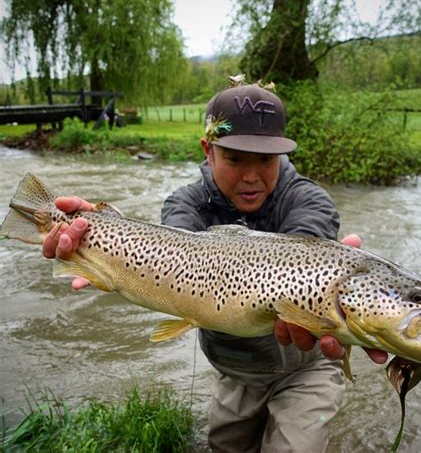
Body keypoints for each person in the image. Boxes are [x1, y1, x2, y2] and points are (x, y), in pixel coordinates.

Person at [42, 83, 387, 452]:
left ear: (282, 155)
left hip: (306, 369)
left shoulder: (310, 200)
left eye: (266, 160)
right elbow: (171, 252)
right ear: (208, 150)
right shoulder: (186, 202)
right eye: (236, 159)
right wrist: (104, 232)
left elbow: (302, 253)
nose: (252, 176)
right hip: (235, 371)